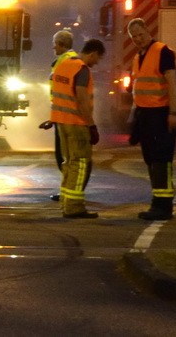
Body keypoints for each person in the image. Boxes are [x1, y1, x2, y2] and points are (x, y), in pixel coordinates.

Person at [126, 17, 176, 221]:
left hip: (160, 114)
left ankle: (164, 207)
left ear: (147, 31)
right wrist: (134, 117)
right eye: (134, 37)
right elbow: (138, 89)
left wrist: (173, 112)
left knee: (161, 159)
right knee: (151, 160)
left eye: (140, 35)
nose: (138, 39)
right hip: (145, 114)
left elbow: (173, 84)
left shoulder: (162, 52)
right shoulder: (138, 57)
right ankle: (157, 203)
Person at [48, 37, 105, 218]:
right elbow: (81, 99)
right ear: (93, 53)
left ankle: (66, 203)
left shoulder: (63, 65)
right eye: (98, 58)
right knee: (80, 164)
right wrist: (91, 125)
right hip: (76, 123)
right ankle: (75, 207)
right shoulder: (81, 69)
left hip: (61, 122)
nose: (97, 62)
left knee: (69, 163)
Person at [39, 29, 76, 201]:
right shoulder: (66, 60)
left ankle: (70, 192)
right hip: (62, 115)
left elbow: (64, 93)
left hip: (65, 117)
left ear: (61, 45)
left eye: (55, 44)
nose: (53, 47)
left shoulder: (65, 62)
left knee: (64, 156)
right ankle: (68, 190)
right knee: (64, 156)